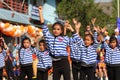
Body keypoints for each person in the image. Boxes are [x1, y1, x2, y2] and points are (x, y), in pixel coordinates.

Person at [38, 6, 79, 80]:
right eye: (54, 29)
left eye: (58, 29)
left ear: (61, 31)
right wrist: (40, 12)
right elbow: (43, 24)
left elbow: (76, 39)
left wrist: (72, 29)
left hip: (64, 62)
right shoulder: (48, 37)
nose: (55, 30)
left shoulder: (64, 38)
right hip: (55, 63)